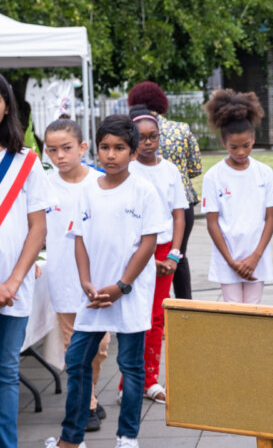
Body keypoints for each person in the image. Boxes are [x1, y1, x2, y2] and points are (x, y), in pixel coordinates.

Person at [46, 114, 167, 448]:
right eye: (105, 147)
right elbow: (79, 239)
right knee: (76, 360)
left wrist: (122, 286)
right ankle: (72, 438)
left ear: (133, 152)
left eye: (119, 148)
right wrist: (86, 282)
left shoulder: (143, 190)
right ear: (96, 150)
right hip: (94, 296)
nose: (111, 155)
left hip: (128, 294)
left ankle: (127, 437)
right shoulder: (88, 190)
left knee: (130, 366)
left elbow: (148, 244)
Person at [43, 118, 108, 432]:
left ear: (82, 147)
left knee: (100, 346)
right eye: (52, 150)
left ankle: (89, 392)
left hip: (99, 277)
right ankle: (87, 403)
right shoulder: (44, 186)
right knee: (74, 344)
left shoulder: (100, 183)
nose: (60, 156)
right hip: (63, 277)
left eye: (66, 148)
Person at [122, 106, 188, 404]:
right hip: (135, 251)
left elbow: (179, 215)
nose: (148, 142)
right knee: (134, 316)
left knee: (156, 316)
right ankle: (127, 382)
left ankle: (149, 380)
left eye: (154, 136)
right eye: (142, 137)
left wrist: (174, 254)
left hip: (164, 250)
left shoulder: (170, 170)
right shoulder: (127, 170)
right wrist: (149, 260)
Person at [0, 74, 50, 448]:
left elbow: (38, 227)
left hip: (12, 288)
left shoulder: (26, 162)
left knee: (6, 371)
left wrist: (13, 282)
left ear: (6, 105)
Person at [202, 90, 273, 304]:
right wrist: (231, 262)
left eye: (246, 145)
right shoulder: (213, 176)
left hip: (258, 257)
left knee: (253, 311)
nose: (240, 152)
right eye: (234, 147)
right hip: (227, 259)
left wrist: (255, 257)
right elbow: (212, 223)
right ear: (223, 142)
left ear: (253, 139)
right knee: (232, 312)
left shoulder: (264, 173)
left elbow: (271, 220)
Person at [127, 81, 202, 301]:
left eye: (153, 137)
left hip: (164, 218)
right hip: (179, 203)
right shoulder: (181, 129)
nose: (148, 142)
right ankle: (184, 309)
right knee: (179, 259)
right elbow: (196, 168)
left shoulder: (135, 131)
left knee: (161, 277)